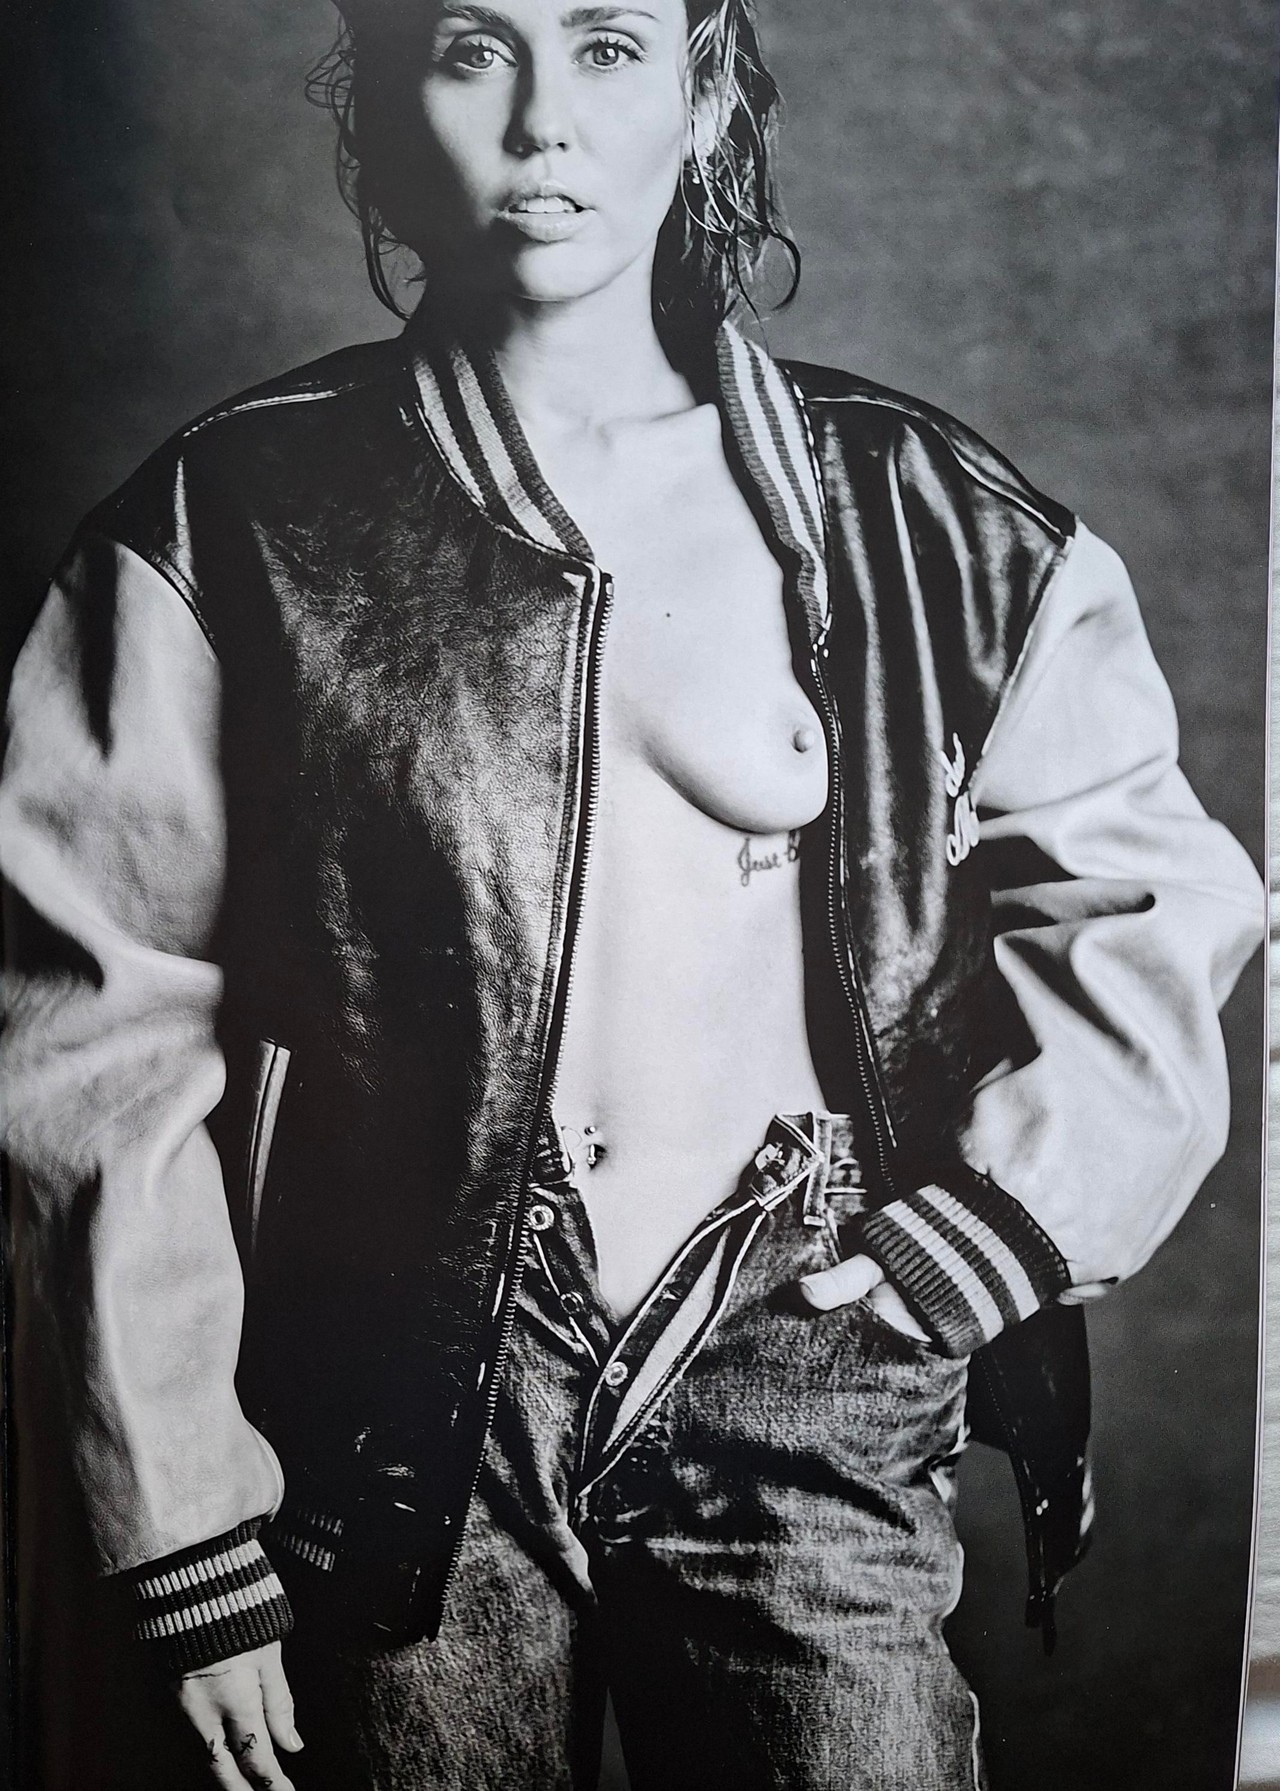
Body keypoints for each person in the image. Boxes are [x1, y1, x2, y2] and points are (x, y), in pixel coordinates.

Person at [0, 0, 1264, 1786]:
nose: (542, 122)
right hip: (403, 1380)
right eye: (473, 49)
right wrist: (184, 1529)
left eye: (605, 46)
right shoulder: (233, 518)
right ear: (385, 101)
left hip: (809, 1321)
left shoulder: (927, 512)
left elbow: (1151, 890)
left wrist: (997, 1228)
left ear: (705, 93)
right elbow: (91, 1040)